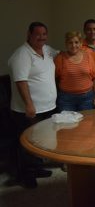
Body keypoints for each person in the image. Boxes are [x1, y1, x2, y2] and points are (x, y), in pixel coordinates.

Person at [8, 21, 58, 188]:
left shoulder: (47, 50)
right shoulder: (21, 54)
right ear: (28, 35)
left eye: (44, 34)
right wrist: (29, 105)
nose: (42, 37)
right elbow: (21, 81)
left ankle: (37, 168)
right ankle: (25, 175)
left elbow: (63, 53)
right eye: (38, 34)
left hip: (47, 107)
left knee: (40, 141)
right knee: (27, 143)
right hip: (28, 110)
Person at [54, 31, 95, 111]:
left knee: (86, 122)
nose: (73, 45)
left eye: (76, 42)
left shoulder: (88, 56)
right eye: (70, 42)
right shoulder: (60, 58)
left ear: (80, 43)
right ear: (66, 44)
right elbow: (55, 79)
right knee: (67, 123)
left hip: (86, 98)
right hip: (66, 99)